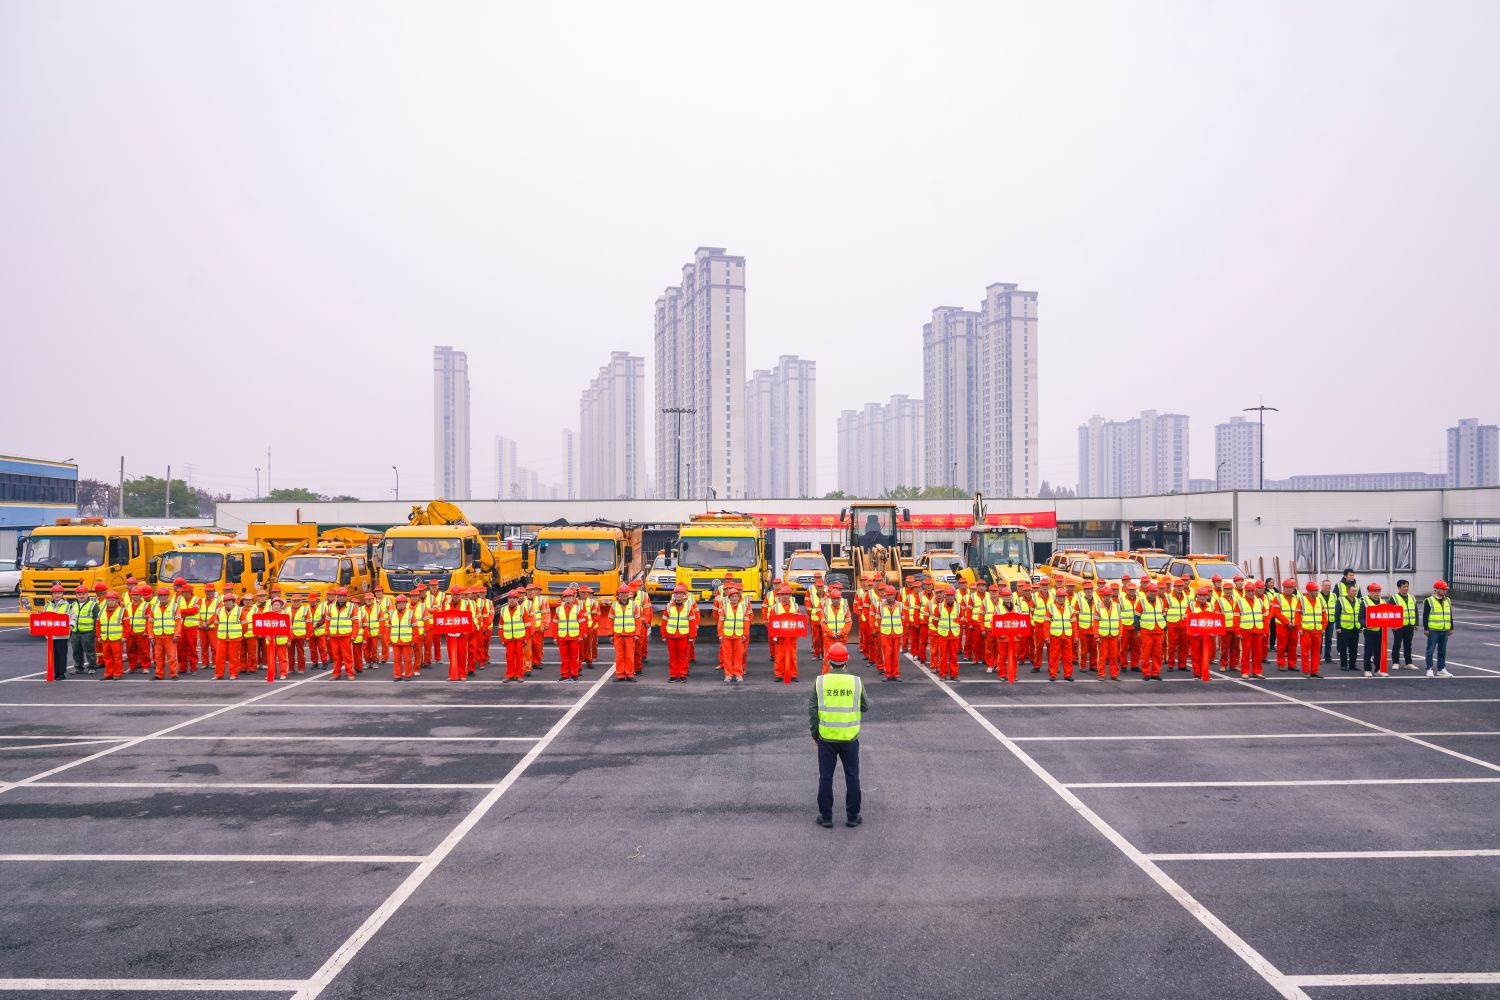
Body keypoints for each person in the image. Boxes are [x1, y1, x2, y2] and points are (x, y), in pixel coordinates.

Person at [809, 642, 867, 829]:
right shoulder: (856, 682)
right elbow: (865, 706)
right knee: (852, 776)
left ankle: (826, 817)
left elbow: (812, 711)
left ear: (828, 660)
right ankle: (853, 816)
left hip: (826, 738)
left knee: (826, 777)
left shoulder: (820, 682)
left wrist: (815, 735)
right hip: (849, 737)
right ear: (846, 661)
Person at [661, 586, 695, 683]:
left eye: (681, 594)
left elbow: (692, 622)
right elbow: (664, 621)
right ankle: (673, 675)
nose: (679, 595)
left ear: (684, 595)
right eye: (677, 594)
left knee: (683, 657)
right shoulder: (668, 606)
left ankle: (682, 675)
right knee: (673, 657)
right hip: (671, 635)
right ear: (674, 595)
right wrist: (663, 635)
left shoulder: (688, 607)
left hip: (683, 636)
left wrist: (692, 636)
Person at [148, 585, 181, 680]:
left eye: (164, 595)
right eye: (161, 596)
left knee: (172, 656)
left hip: (170, 636)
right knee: (158, 657)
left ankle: (173, 674)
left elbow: (178, 622)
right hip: (157, 636)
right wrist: (151, 636)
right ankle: (159, 674)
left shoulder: (174, 606)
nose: (163, 597)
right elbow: (150, 623)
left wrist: (177, 634)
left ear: (168, 596)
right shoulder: (154, 608)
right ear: (158, 597)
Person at [498, 590, 530, 683]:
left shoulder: (522, 609)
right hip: (508, 639)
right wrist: (502, 639)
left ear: (517, 599)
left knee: (519, 657)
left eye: (514, 598)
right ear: (508, 599)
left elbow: (528, 625)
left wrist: (526, 638)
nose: (512, 600)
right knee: (509, 658)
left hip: (519, 638)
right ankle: (509, 675)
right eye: (510, 598)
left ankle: (519, 675)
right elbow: (500, 626)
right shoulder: (503, 610)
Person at [1424, 580, 1453, 677]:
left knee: (1442, 650)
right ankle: (1429, 669)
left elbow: (1450, 614)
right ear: (1436, 589)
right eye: (1443, 589)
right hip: (1433, 630)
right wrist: (1426, 628)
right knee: (1430, 650)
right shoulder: (1429, 600)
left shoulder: (1447, 600)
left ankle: (1441, 669)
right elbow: (1425, 616)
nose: (1445, 591)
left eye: (1445, 589)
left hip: (1445, 630)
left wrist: (1451, 627)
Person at [554, 588, 585, 681]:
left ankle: (574, 674)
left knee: (574, 657)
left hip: (574, 637)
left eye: (569, 597)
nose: (568, 599)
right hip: (562, 637)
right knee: (564, 658)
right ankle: (565, 675)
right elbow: (555, 624)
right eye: (566, 597)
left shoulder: (577, 609)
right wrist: (555, 637)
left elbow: (582, 623)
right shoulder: (558, 609)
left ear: (573, 598)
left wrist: (581, 635)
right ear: (563, 598)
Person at [95, 590, 127, 680]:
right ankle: (108, 673)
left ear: (117, 601)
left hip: (116, 639)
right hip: (105, 639)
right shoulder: (101, 611)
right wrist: (99, 636)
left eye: (113, 600)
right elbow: (98, 625)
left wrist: (124, 636)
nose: (110, 602)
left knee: (117, 657)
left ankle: (117, 673)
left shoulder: (122, 611)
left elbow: (126, 625)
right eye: (109, 600)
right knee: (107, 657)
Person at [214, 590, 245, 679]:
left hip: (234, 638)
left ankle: (233, 674)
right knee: (219, 657)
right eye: (226, 601)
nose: (227, 603)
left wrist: (239, 635)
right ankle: (218, 674)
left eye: (229, 601)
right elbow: (216, 624)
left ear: (233, 601)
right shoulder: (219, 610)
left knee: (233, 657)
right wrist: (221, 633)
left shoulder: (239, 610)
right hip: (222, 638)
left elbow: (244, 625)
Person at [389, 592, 420, 682]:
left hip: (407, 641)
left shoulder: (410, 613)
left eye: (402, 603)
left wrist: (414, 639)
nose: (400, 604)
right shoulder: (392, 614)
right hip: (395, 641)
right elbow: (388, 628)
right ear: (396, 604)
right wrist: (388, 639)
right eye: (399, 603)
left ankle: (408, 675)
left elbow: (415, 628)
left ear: (406, 604)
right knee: (396, 660)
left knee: (407, 659)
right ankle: (397, 675)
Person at [609, 587, 638, 682]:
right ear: (619, 594)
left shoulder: (634, 605)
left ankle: (629, 674)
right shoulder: (614, 605)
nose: (624, 595)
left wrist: (637, 634)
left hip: (630, 635)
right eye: (622, 593)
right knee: (619, 656)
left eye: (625, 593)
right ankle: (620, 675)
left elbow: (638, 621)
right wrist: (610, 634)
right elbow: (610, 621)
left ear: (628, 594)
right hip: (618, 635)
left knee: (630, 656)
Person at [1297, 582, 1325, 678]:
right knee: (1305, 652)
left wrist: (1323, 627)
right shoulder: (1302, 600)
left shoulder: (1320, 600)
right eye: (1315, 590)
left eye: (1317, 590)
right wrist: (1299, 628)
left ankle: (1314, 671)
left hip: (1317, 630)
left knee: (1316, 652)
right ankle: (1306, 671)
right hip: (1306, 631)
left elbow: (1324, 615)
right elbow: (1297, 615)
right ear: (1309, 591)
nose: (1317, 592)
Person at [876, 586, 904, 681]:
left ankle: (895, 674)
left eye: (891, 595)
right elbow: (878, 620)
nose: (889, 597)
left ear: (895, 595)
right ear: (885, 595)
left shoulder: (900, 605)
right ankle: (888, 674)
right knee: (887, 655)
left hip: (897, 634)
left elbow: (903, 619)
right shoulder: (880, 606)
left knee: (895, 655)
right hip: (886, 634)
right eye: (888, 595)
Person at [1335, 583, 1365, 672]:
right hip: (1344, 627)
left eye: (1356, 591)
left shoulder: (1359, 601)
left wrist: (1361, 626)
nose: (1355, 593)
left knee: (1354, 647)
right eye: (1353, 591)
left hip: (1355, 627)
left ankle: (1352, 664)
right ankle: (1344, 665)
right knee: (1343, 647)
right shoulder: (1341, 600)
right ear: (1347, 591)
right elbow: (1337, 614)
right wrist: (1338, 627)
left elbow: (1361, 615)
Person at [70, 584, 99, 674]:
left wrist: (94, 632)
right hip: (75, 632)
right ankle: (78, 667)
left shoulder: (93, 605)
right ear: (76, 595)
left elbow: (97, 619)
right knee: (76, 651)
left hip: (88, 632)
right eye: (79, 594)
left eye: (83, 594)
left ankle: (92, 667)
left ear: (87, 594)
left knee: (90, 651)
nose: (81, 596)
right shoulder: (73, 605)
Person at [1361, 583, 1388, 676]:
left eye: (1378, 591)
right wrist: (1366, 625)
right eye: (1375, 591)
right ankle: (1367, 670)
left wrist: (1394, 624)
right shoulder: (1365, 602)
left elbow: (1388, 615)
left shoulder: (1383, 602)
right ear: (1370, 592)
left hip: (1381, 630)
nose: (1377, 593)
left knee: (1378, 651)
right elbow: (1361, 618)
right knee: (1368, 651)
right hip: (1369, 631)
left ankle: (1378, 670)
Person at [1391, 579, 1417, 670]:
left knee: (1408, 645)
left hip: (1409, 625)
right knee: (1397, 644)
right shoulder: (1394, 598)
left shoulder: (1412, 598)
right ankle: (1395, 662)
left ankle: (1408, 663)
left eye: (1407, 586)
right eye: (1404, 587)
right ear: (1399, 588)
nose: (1406, 588)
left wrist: (1416, 623)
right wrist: (1393, 624)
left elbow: (1415, 611)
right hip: (1398, 626)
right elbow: (1389, 612)